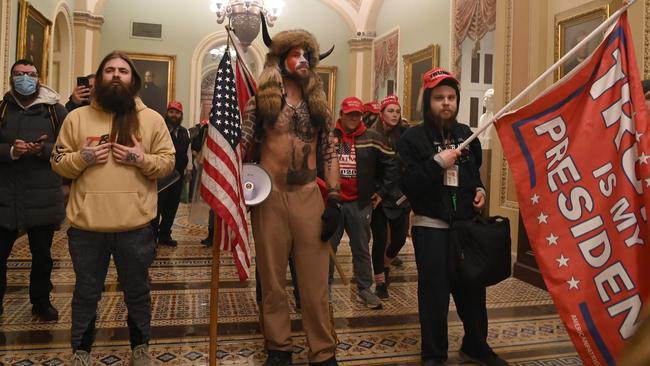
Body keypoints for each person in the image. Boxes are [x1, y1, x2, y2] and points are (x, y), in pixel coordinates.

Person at [51, 51, 175, 365]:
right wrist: (83, 158)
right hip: (87, 230)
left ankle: (140, 348)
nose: (116, 75)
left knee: (137, 292)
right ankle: (81, 351)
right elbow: (57, 162)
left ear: (133, 79)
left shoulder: (152, 119)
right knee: (85, 293)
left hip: (136, 228)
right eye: (109, 70)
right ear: (98, 78)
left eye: (122, 70)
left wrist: (139, 158)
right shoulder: (77, 118)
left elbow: (168, 163)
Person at [239, 19, 340, 366]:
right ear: (281, 60)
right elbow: (240, 145)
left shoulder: (319, 106)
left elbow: (330, 150)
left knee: (315, 286)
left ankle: (323, 352)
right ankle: (279, 348)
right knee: (272, 282)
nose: (302, 60)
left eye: (307, 54)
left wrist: (336, 199)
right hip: (270, 198)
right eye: (295, 54)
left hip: (309, 196)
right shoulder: (261, 102)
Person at [398, 67, 508, 366]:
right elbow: (407, 184)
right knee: (434, 295)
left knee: (473, 289)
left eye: (450, 97)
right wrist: (436, 163)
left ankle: (476, 344)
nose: (446, 103)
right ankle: (433, 354)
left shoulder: (466, 135)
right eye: (438, 97)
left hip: (466, 229)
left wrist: (481, 190)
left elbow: (473, 176)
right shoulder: (412, 138)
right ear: (428, 101)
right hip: (431, 229)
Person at [0, 59, 67, 321]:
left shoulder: (55, 111)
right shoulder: (3, 109)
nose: (25, 79)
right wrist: (11, 151)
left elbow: (66, 147)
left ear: (39, 78)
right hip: (6, 195)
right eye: (19, 74)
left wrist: (44, 150)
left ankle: (40, 301)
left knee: (42, 256)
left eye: (30, 74)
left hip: (43, 196)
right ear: (11, 79)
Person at [328, 96, 398, 310]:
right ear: (341, 114)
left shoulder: (373, 138)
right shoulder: (330, 137)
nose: (354, 118)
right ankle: (324, 289)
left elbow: (392, 165)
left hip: (360, 203)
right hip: (333, 203)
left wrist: (381, 192)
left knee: (360, 247)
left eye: (357, 114)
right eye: (350, 114)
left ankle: (364, 290)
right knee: (328, 248)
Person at [369, 95, 410, 299]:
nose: (395, 114)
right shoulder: (372, 135)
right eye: (390, 111)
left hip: (401, 195)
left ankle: (385, 266)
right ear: (381, 114)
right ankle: (380, 282)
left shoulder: (406, 134)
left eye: (397, 111)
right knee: (379, 240)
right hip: (378, 196)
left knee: (399, 240)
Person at [153, 100, 192, 247]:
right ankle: (153, 237)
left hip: (178, 178)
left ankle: (165, 235)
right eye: (171, 112)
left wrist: (189, 169)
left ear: (181, 115)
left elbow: (188, 152)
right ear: (167, 113)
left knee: (171, 208)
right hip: (162, 178)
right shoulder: (160, 129)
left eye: (177, 113)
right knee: (157, 208)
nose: (174, 115)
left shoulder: (185, 132)